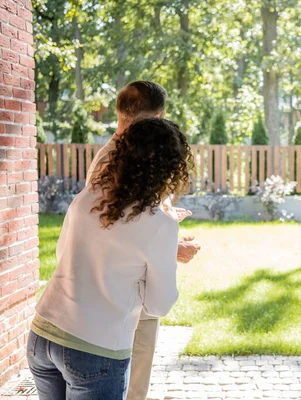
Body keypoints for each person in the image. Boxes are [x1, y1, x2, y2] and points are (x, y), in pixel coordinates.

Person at [27, 118, 194, 399]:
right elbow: (158, 305)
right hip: (95, 350)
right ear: (170, 168)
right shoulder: (161, 225)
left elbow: (62, 255)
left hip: (42, 335)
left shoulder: (87, 197)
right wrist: (136, 280)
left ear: (121, 155)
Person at [84, 81, 200, 400]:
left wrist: (163, 216)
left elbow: (123, 215)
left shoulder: (118, 152)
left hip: (122, 292)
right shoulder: (118, 158)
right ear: (158, 116)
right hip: (127, 297)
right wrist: (171, 247)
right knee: (132, 387)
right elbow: (112, 232)